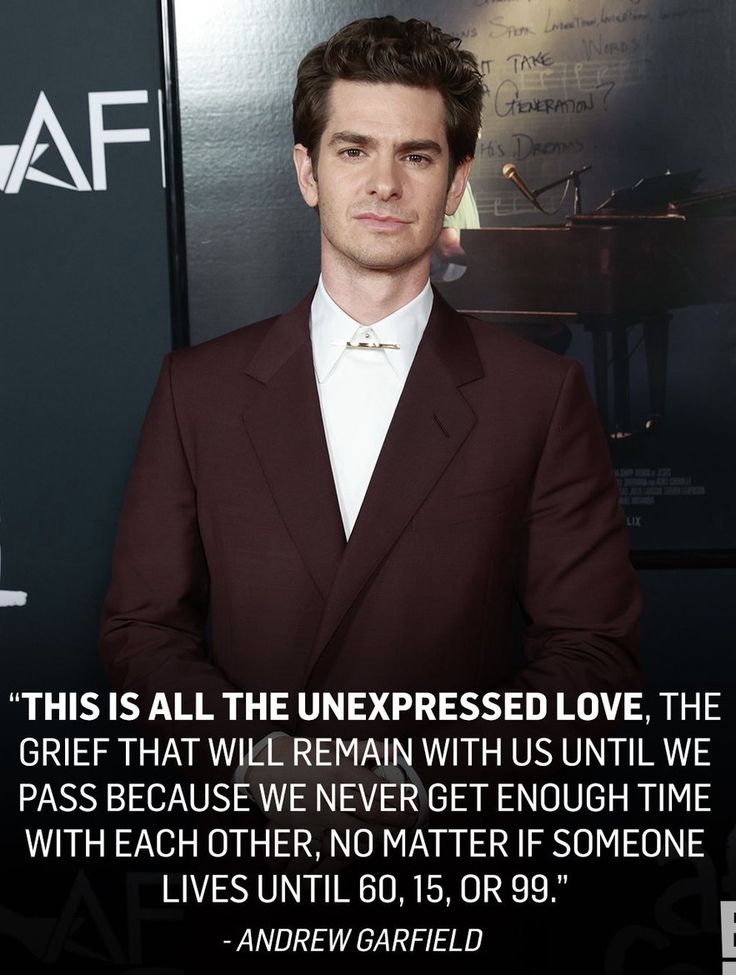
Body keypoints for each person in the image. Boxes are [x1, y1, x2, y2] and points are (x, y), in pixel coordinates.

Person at [100, 16, 640, 833]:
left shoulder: (541, 394)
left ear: (455, 181)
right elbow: (142, 630)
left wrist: (409, 773)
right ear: (307, 172)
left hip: (459, 870)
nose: (384, 183)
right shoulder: (196, 390)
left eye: (415, 156)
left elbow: (595, 655)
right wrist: (261, 758)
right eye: (353, 149)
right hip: (258, 869)